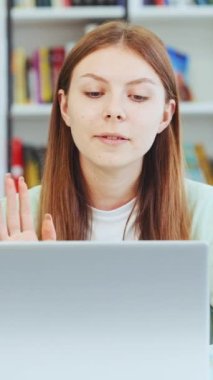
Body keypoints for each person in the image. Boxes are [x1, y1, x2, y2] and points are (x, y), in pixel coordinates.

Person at [0, 21, 213, 305]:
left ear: (165, 115)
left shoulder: (205, 212)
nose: (114, 111)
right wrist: (17, 293)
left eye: (137, 96)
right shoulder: (14, 219)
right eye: (94, 93)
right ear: (64, 107)